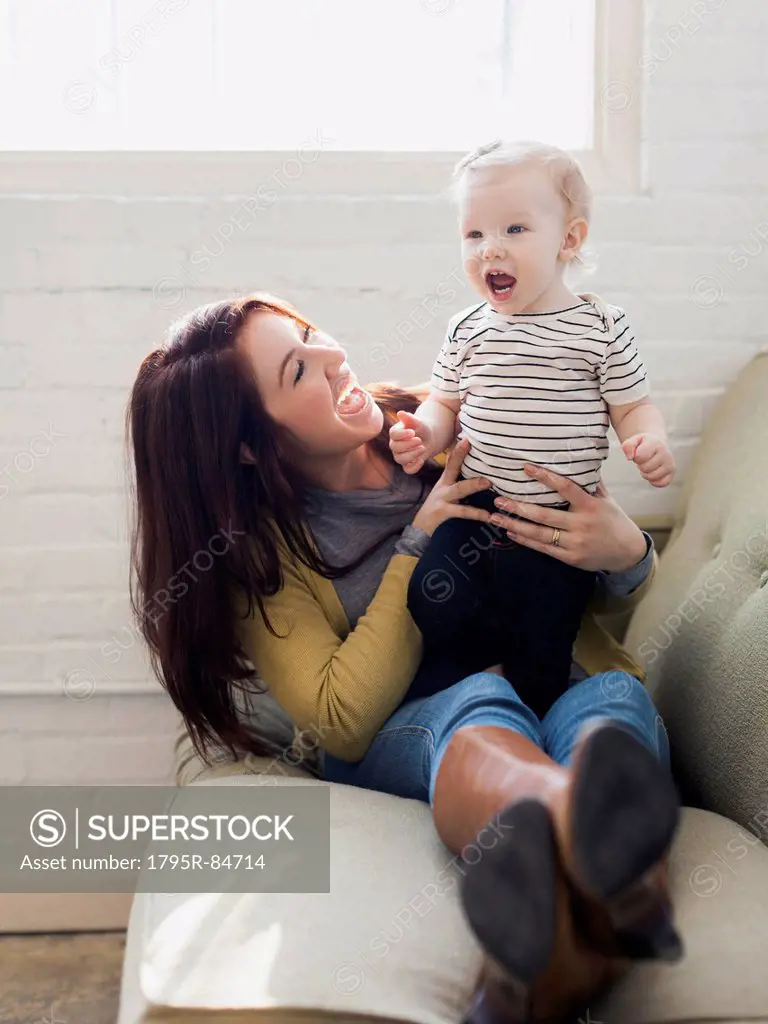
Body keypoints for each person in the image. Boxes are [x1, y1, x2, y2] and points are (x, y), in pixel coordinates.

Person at [128, 293, 682, 1023]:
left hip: (561, 684)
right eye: (299, 370)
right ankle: (578, 821)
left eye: (309, 333)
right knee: (477, 707)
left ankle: (552, 954)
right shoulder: (262, 551)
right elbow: (342, 719)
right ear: (250, 444)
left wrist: (628, 554)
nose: (334, 357)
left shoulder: (447, 427)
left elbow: (579, 591)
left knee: (614, 701)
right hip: (418, 727)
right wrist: (418, 546)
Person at [390, 140, 676, 717]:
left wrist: (649, 441)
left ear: (569, 239)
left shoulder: (601, 327)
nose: (488, 248)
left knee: (544, 633)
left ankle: (533, 720)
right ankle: (475, 685)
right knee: (431, 598)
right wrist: (423, 433)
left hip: (557, 526)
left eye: (514, 229)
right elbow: (444, 405)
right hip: (478, 507)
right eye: (473, 235)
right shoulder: (467, 327)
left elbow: (633, 407)